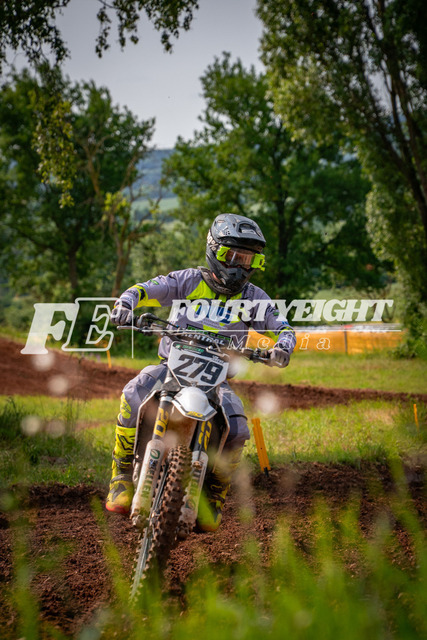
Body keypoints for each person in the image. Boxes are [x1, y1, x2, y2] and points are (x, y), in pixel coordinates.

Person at [106, 213, 296, 531]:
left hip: (217, 379)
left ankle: (214, 497)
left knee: (238, 428)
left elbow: (283, 327)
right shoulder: (188, 281)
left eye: (248, 259)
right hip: (172, 368)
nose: (240, 266)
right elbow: (144, 289)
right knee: (133, 393)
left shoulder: (254, 298)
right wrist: (126, 304)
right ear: (214, 250)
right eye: (232, 256)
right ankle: (122, 476)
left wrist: (283, 347)